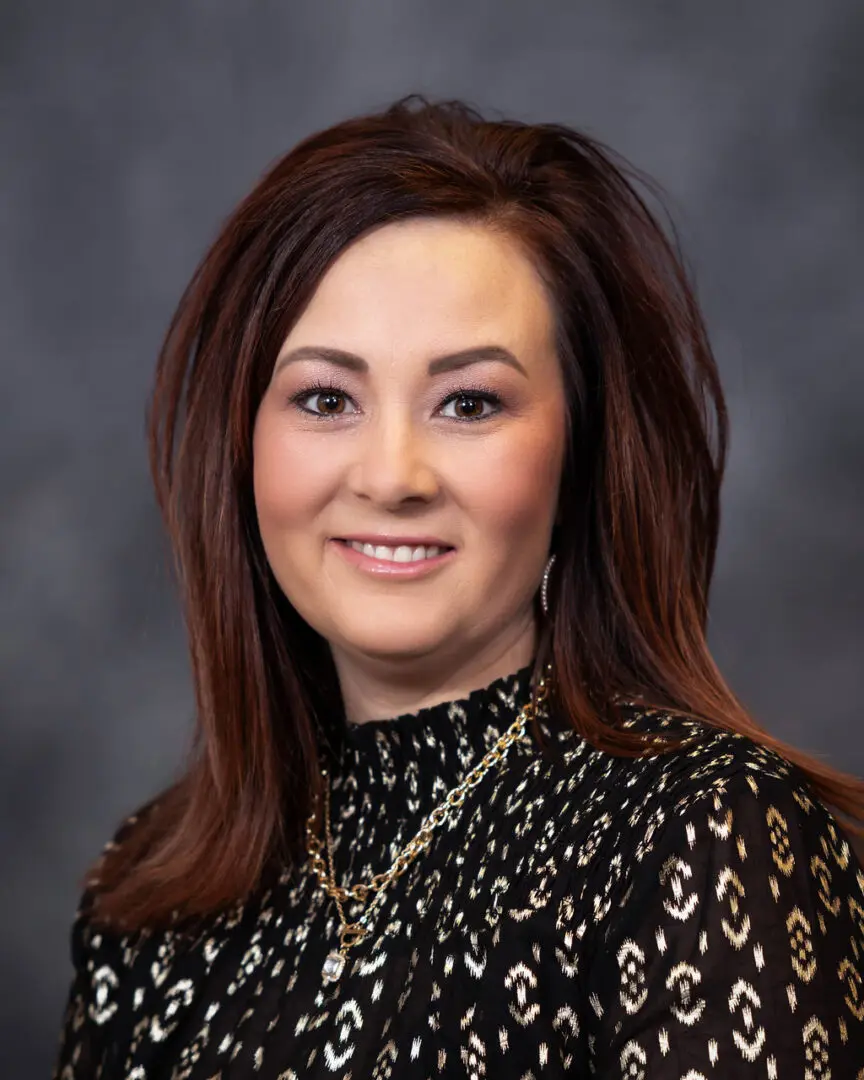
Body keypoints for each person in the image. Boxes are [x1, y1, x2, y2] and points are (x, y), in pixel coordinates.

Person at [52, 94, 864, 1079]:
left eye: (469, 402)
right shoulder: (146, 894)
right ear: (242, 447)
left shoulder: (706, 840)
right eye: (325, 398)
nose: (392, 476)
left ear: (582, 457)